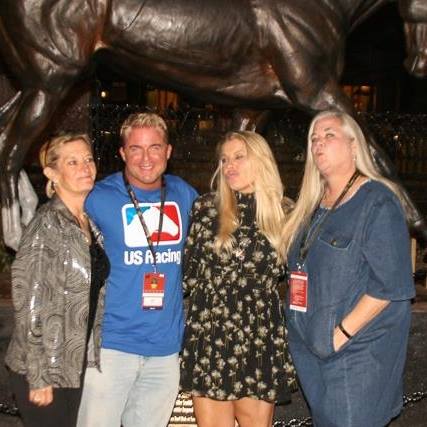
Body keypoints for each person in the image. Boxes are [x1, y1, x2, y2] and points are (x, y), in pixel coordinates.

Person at [282, 110, 415, 427]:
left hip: (355, 354)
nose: (319, 143)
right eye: (314, 138)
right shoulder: (314, 203)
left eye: (329, 135)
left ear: (355, 146)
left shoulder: (377, 201)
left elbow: (391, 286)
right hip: (310, 348)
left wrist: (339, 335)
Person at [77, 112, 198, 427]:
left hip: (165, 349)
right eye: (136, 148)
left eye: (155, 147)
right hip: (111, 347)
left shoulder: (184, 195)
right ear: (122, 153)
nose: (146, 158)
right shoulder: (97, 198)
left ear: (168, 152)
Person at [180, 131, 296, 427]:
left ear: (261, 160)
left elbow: (302, 277)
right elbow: (187, 276)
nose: (229, 165)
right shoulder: (206, 209)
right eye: (224, 159)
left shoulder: (286, 213)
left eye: (239, 157)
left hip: (259, 335)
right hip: (210, 334)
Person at [5, 133, 108, 427]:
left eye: (88, 159)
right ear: (52, 173)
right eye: (72, 162)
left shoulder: (88, 221)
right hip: (42, 367)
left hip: (70, 362)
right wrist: (39, 376)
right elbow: (29, 304)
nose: (85, 167)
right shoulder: (46, 224)